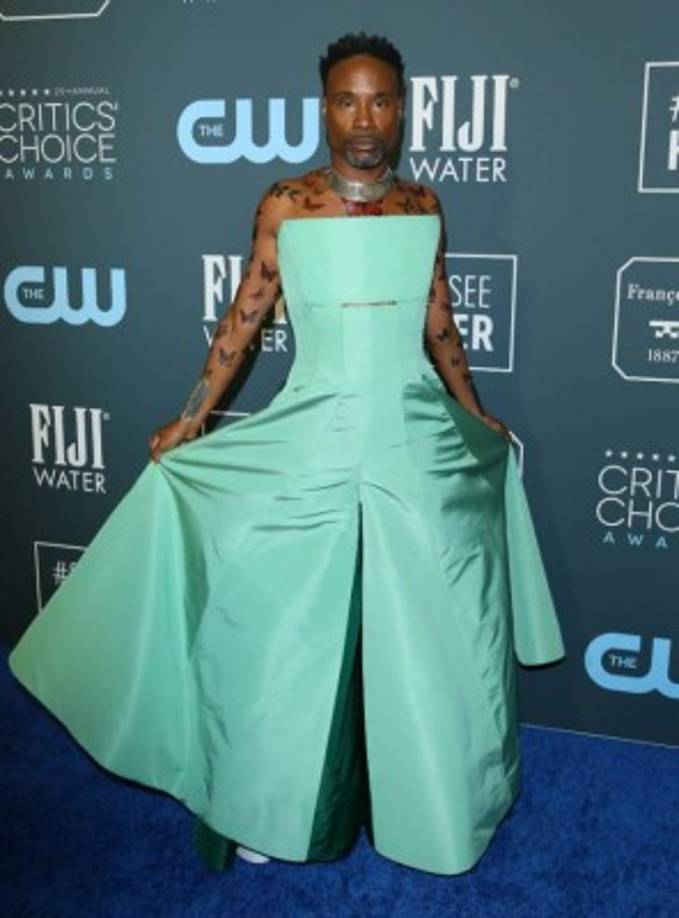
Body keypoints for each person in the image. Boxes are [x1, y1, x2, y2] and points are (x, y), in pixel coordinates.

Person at [8, 32, 566, 877]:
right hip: (315, 427)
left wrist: (474, 414)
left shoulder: (423, 206)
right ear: (323, 109)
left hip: (412, 435)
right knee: (277, 623)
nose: (363, 120)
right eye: (346, 101)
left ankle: (434, 798)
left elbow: (439, 323)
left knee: (439, 620)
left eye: (380, 101)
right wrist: (191, 420)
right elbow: (242, 321)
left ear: (402, 110)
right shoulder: (286, 205)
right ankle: (266, 802)